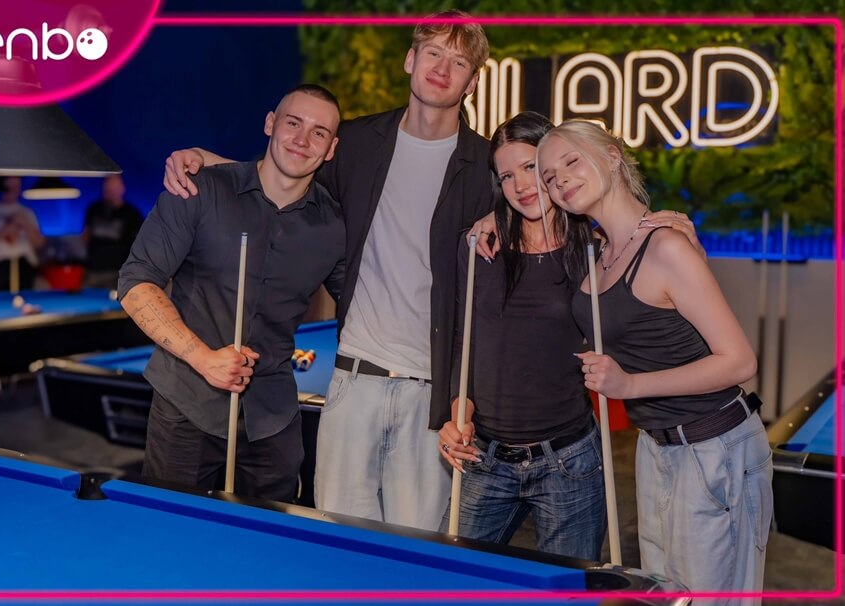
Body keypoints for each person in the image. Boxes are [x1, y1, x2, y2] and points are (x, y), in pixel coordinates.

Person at [163, 11, 493, 531]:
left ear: (472, 82)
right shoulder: (355, 142)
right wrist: (203, 158)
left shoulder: (488, 167)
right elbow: (283, 175)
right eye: (433, 53)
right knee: (338, 541)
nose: (441, 68)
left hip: (431, 396)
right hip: (353, 380)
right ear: (410, 60)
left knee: (416, 552)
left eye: (458, 62)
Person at [536, 119, 770, 602]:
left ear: (612, 156)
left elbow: (739, 361)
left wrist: (630, 386)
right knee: (666, 598)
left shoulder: (666, 246)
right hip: (656, 447)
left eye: (571, 161)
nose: (560, 180)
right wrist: (487, 221)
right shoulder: (599, 251)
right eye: (549, 177)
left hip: (714, 447)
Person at [118, 84, 345, 502]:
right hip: (186, 406)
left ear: (331, 149)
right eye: (293, 123)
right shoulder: (199, 190)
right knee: (173, 533)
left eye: (319, 132)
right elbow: (136, 284)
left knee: (268, 537)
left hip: (272, 418)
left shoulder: (333, 227)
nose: (302, 139)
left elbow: (361, 302)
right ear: (270, 123)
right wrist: (203, 358)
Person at [438, 112, 605, 560]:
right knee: (450, 581)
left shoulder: (594, 251)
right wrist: (458, 417)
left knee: (567, 591)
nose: (521, 185)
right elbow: (464, 346)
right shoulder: (479, 247)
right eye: (507, 175)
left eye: (530, 167)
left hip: (569, 460)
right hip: (485, 457)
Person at [0, 176, 46, 292]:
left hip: (24, 268)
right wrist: (6, 230)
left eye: (16, 186)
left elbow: (39, 243)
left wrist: (26, 224)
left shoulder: (27, 213)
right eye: (9, 185)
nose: (12, 189)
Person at [82, 174, 143, 289]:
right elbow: (86, 235)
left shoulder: (132, 214)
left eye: (113, 188)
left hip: (118, 272)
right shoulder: (94, 209)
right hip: (93, 270)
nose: (110, 191)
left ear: (122, 188)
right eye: (107, 188)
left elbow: (138, 245)